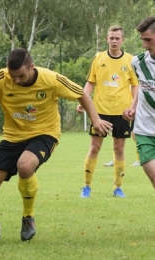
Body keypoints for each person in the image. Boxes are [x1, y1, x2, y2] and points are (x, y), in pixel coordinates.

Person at [0, 48, 112, 242]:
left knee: (25, 165)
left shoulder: (51, 79)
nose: (17, 81)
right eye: (13, 76)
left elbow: (81, 93)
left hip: (45, 134)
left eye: (21, 75)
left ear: (32, 67)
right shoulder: (2, 78)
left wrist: (96, 120)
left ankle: (28, 217)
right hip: (12, 137)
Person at [77, 25, 139, 198]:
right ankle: (86, 187)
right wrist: (83, 100)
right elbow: (90, 82)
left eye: (117, 38)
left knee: (119, 149)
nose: (114, 41)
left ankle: (118, 188)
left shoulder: (131, 60)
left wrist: (134, 105)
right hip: (100, 111)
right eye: (111, 38)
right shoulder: (98, 58)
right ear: (107, 39)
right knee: (94, 147)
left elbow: (135, 85)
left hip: (123, 112)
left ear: (122, 40)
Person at [123, 16, 155, 189]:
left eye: (148, 40)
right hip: (145, 131)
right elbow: (142, 87)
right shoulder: (138, 62)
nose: (144, 45)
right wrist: (133, 107)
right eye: (142, 40)